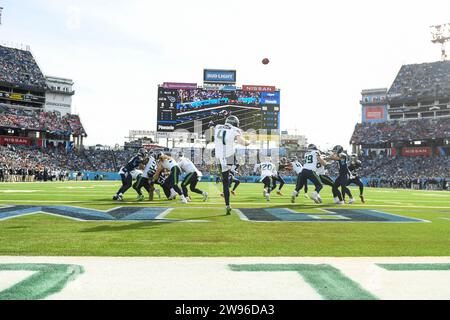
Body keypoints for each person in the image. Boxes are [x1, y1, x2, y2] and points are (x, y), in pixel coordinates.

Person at [214, 115, 251, 215]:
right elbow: (242, 142)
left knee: (225, 183)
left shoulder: (217, 127)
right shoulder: (235, 129)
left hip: (218, 157)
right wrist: (249, 142)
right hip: (229, 156)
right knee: (237, 161)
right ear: (235, 123)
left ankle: (227, 205)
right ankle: (232, 170)